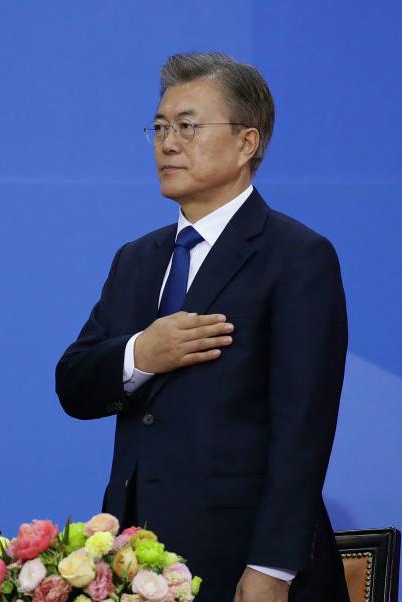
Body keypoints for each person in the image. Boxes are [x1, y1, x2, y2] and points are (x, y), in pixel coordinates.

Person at [55, 53, 348, 602]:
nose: (167, 144)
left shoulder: (297, 257)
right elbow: (73, 384)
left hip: (240, 557)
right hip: (134, 557)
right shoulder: (137, 259)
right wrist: (143, 351)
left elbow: (303, 428)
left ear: (246, 143)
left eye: (188, 127)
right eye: (160, 128)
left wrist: (274, 566)